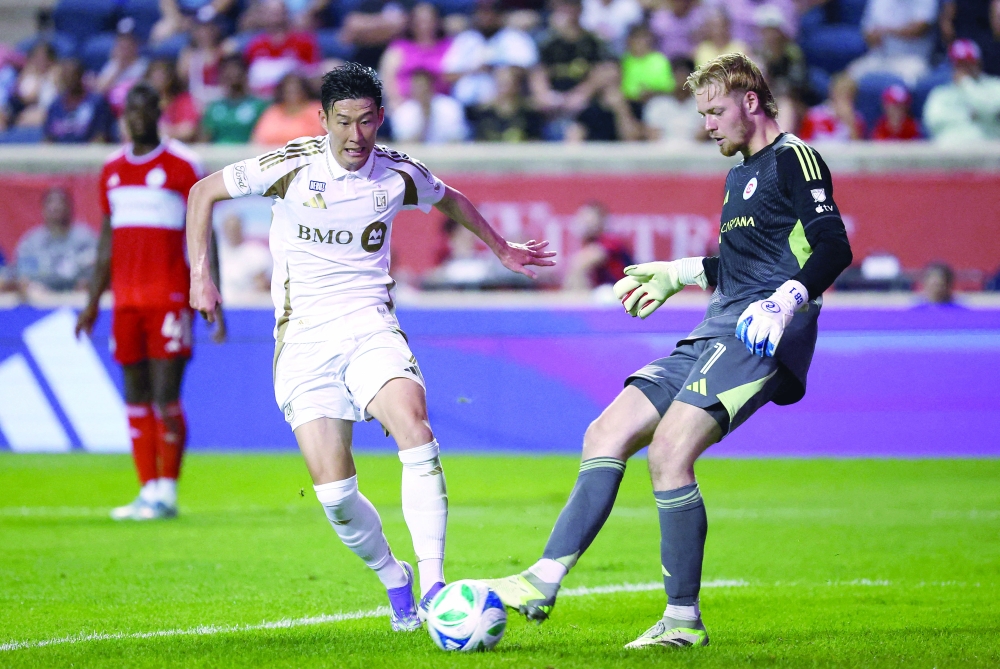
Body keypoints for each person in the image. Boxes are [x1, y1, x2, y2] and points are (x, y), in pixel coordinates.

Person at [482, 52, 852, 650]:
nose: (707, 125)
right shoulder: (738, 175)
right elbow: (743, 265)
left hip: (760, 332)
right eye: (702, 114)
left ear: (750, 102)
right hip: (717, 325)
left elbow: (833, 246)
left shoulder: (795, 158)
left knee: (669, 454)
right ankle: (541, 579)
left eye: (715, 111)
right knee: (606, 431)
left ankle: (681, 621)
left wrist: (785, 300)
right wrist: (680, 271)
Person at [184, 62, 555, 631]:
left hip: (370, 326)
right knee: (335, 494)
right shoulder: (291, 165)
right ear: (322, 119)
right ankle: (393, 576)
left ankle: (434, 586)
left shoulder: (398, 173)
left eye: (365, 121)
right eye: (343, 122)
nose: (355, 135)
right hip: (303, 339)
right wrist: (200, 275)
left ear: (380, 117)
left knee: (415, 428)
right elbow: (202, 192)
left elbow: (450, 198)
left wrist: (501, 248)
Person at [75, 83, 226, 521]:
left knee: (165, 396)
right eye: (131, 111)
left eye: (145, 109)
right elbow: (107, 242)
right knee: (134, 395)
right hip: (125, 301)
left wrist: (212, 290)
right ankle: (147, 489)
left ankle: (168, 492)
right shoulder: (112, 169)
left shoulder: (182, 165)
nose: (137, 117)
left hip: (169, 298)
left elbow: (205, 231)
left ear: (158, 112)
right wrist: (92, 302)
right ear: (124, 116)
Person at [15, 187, 97, 293]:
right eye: (51, 202)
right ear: (42, 209)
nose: (56, 206)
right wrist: (29, 285)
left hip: (78, 294)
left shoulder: (86, 238)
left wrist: (89, 283)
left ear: (70, 208)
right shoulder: (31, 242)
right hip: (40, 295)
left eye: (60, 202)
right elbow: (22, 275)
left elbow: (99, 269)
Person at [379, 3, 452, 111]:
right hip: (406, 102)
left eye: (428, 21)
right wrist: (395, 100)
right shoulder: (398, 47)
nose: (424, 25)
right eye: (419, 21)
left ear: (437, 22)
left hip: (440, 101)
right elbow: (388, 77)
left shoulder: (449, 46)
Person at [924, 38, 1000, 142]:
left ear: (979, 62)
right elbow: (934, 122)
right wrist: (969, 117)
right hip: (954, 148)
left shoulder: (994, 85)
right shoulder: (941, 93)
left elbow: (993, 109)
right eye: (961, 64)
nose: (966, 68)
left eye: (970, 63)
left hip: (989, 147)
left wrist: (967, 84)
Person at [847, 0, 938, 87]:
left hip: (913, 60)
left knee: (903, 86)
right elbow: (867, 32)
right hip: (879, 57)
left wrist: (887, 31)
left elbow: (919, 29)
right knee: (846, 80)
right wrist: (872, 36)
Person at [244, 0, 320, 97]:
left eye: (278, 12)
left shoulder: (304, 42)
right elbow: (247, 77)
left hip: (294, 97)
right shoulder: (254, 44)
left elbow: (314, 74)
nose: (275, 17)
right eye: (270, 12)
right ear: (263, 15)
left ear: (286, 14)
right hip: (260, 98)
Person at [562, 201, 633, 290]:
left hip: (621, 293)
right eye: (581, 219)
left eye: (589, 220)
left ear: (601, 221)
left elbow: (580, 264)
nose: (584, 224)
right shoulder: (588, 244)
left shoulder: (611, 241)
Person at [201, 55, 269, 143]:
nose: (231, 74)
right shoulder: (214, 107)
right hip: (218, 151)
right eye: (227, 72)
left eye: (235, 71)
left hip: (248, 151)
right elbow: (204, 140)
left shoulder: (259, 106)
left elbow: (262, 138)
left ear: (245, 74)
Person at [44, 59, 114, 143]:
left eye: (72, 76)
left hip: (88, 150)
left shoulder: (96, 103)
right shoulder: (55, 105)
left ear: (80, 76)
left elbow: (101, 136)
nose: (69, 80)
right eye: (65, 76)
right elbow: (48, 138)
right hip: (59, 150)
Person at [468, 65, 545, 141]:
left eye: (507, 83)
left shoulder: (529, 113)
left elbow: (535, 141)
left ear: (517, 85)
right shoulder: (483, 112)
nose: (503, 88)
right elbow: (479, 140)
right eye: (500, 83)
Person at [391, 68, 469, 142]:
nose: (421, 91)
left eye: (423, 86)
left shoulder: (450, 107)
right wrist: (424, 119)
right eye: (417, 87)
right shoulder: (403, 111)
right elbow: (404, 144)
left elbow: (457, 140)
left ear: (431, 87)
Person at [96, 19, 150, 117]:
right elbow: (99, 91)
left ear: (136, 43)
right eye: (121, 41)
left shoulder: (144, 65)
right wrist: (119, 68)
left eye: (129, 41)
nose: (124, 45)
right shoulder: (113, 64)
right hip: (110, 111)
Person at [251, 72, 324, 145]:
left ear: (305, 90)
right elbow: (258, 137)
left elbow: (320, 137)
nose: (292, 94)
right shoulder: (273, 111)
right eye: (288, 91)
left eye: (296, 90)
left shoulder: (316, 110)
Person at [218, 212, 272, 302]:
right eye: (228, 229)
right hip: (223, 303)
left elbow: (263, 286)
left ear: (241, 228)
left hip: (247, 305)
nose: (232, 232)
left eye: (234, 228)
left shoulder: (256, 252)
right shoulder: (218, 253)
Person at [798, 73, 865, 142]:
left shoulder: (857, 119)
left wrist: (849, 122)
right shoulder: (814, 115)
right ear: (832, 92)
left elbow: (858, 145)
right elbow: (804, 141)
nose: (843, 97)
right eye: (840, 92)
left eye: (848, 94)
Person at [146, 59, 201, 143]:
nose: (158, 79)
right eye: (155, 75)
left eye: (162, 75)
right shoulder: (144, 101)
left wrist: (165, 132)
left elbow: (188, 130)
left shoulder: (183, 100)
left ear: (171, 77)